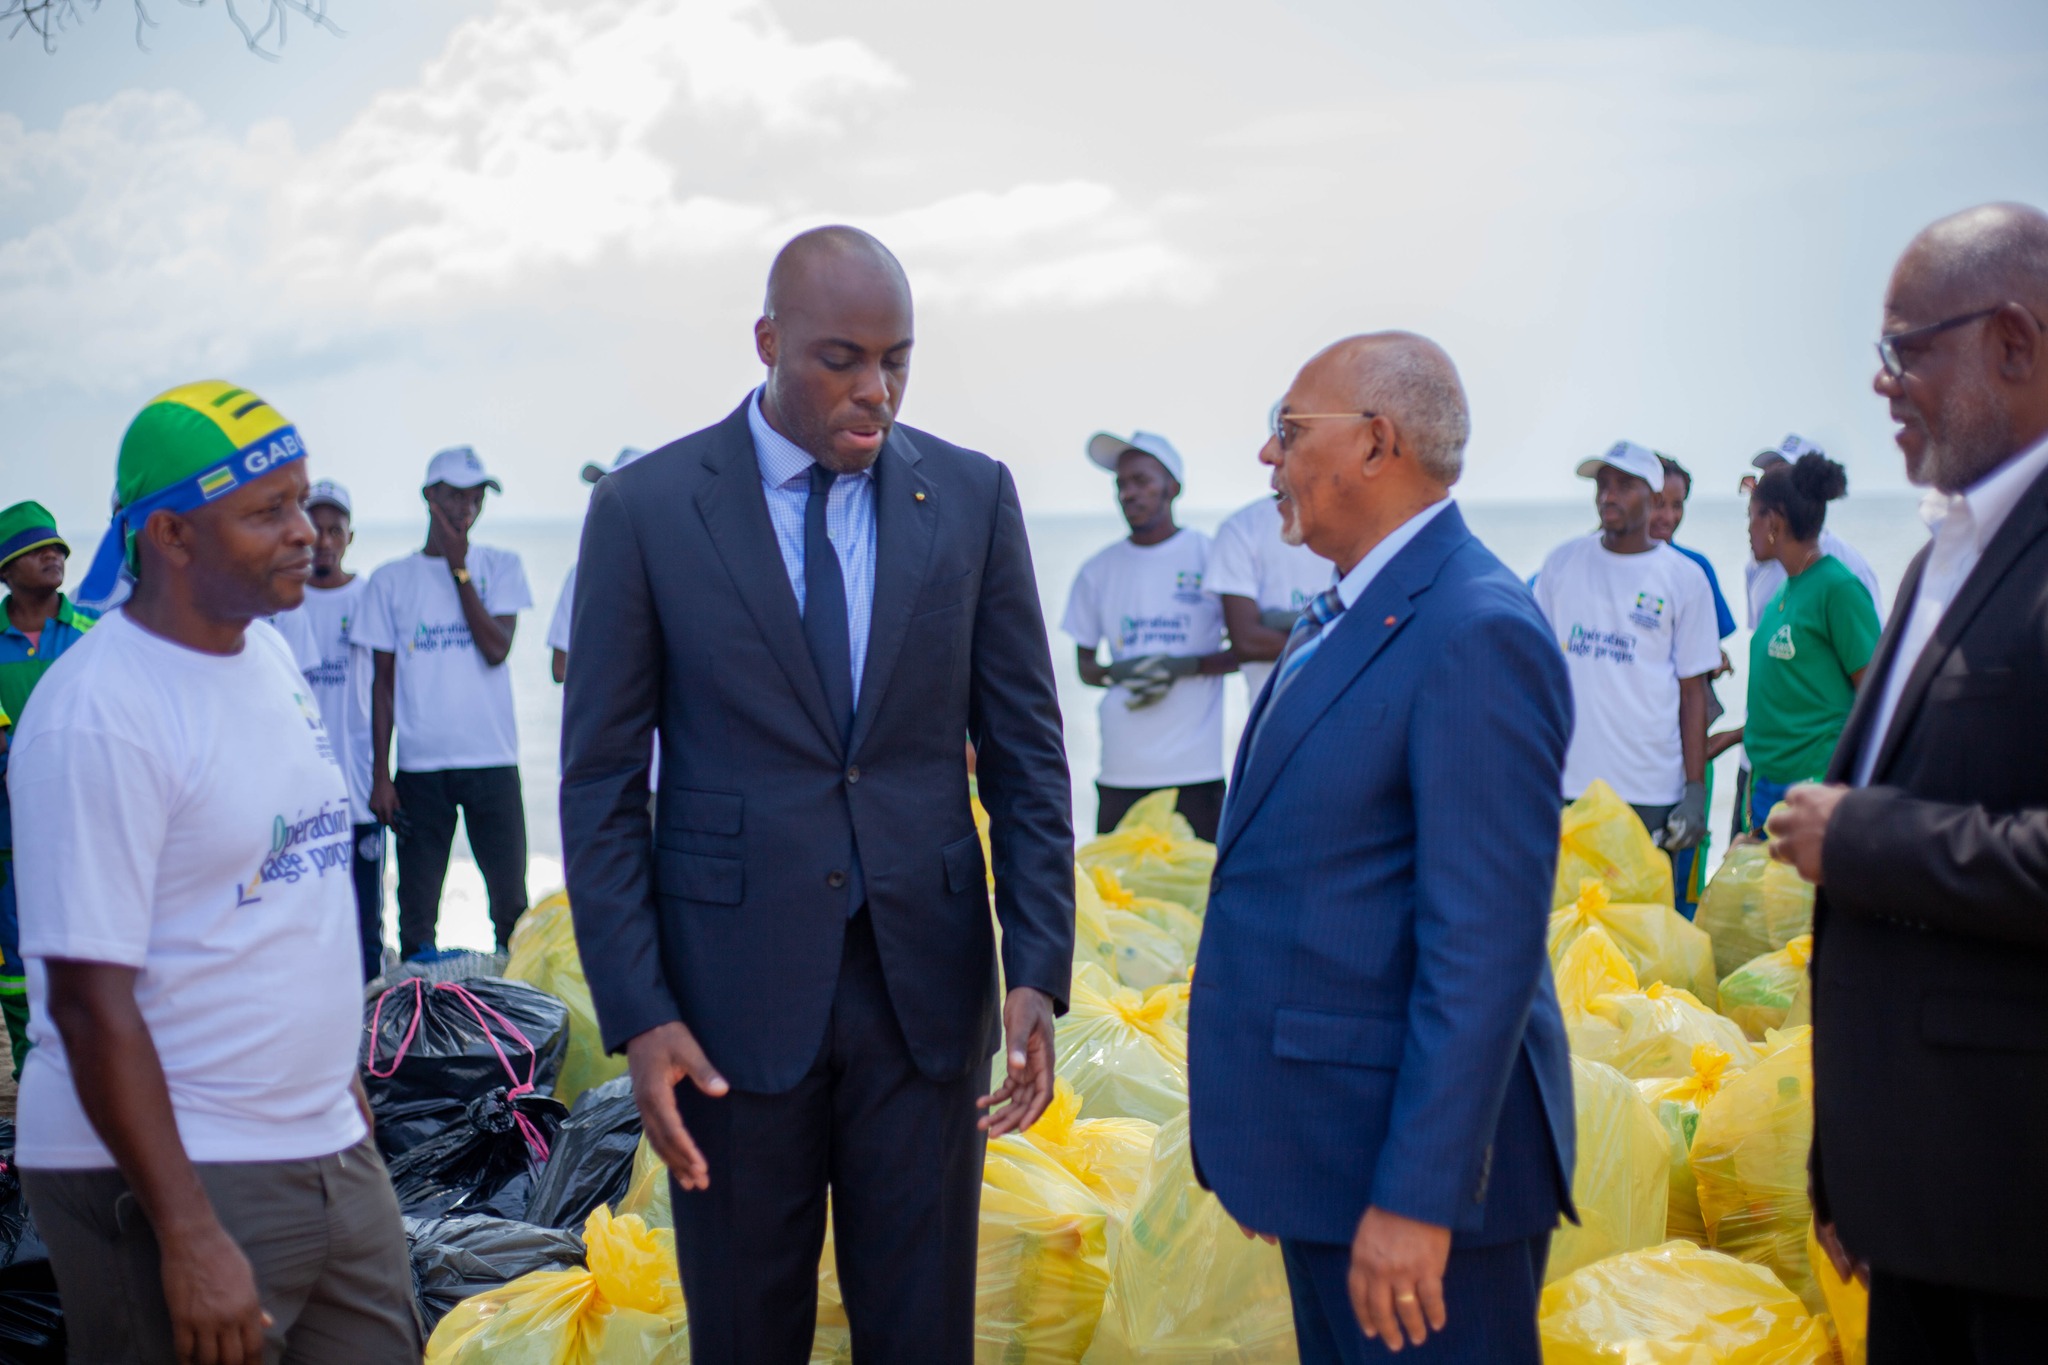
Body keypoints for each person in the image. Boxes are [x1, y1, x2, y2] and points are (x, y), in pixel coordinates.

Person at [560, 226, 1074, 1364]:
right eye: (840, 357)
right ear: (766, 344)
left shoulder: (974, 498)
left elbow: (1027, 750)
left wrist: (1038, 963)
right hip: (725, 1010)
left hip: (925, 1001)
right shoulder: (645, 512)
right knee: (745, 1334)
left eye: (896, 358)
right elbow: (598, 784)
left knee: (921, 1333)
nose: (874, 389)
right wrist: (638, 1014)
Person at [11, 381, 417, 1365]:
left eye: (303, 501)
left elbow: (289, 896)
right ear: (171, 538)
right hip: (173, 1170)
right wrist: (188, 1232)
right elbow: (85, 1002)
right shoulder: (100, 713)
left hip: (322, 1138)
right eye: (266, 511)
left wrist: (339, 1092)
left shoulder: (269, 658)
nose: (307, 536)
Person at [1190, 333, 1574, 1364]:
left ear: (1375, 444)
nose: (1266, 459)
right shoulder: (1349, 610)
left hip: (1414, 1193)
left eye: (1286, 430)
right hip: (1326, 1155)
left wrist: (1416, 1199)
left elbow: (1481, 948)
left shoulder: (1473, 629)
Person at [1768, 202, 2048, 1364]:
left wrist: (1867, 838)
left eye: (1903, 349)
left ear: (2014, 344)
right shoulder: (1948, 548)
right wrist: (1852, 1167)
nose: (1879, 386)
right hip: (1918, 1206)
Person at [356, 446, 534, 960]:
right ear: (429, 497)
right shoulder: (391, 580)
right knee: (416, 918)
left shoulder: (501, 566)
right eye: (455, 494)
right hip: (421, 770)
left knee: (511, 912)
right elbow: (382, 686)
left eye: (476, 495)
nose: (467, 506)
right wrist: (380, 776)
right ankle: (421, 1029)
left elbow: (496, 649)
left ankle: (520, 1027)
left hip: (493, 763)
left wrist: (460, 573)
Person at [1534, 440, 1719, 916]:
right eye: (1602, 485)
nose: (1608, 496)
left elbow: (1693, 691)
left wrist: (1694, 791)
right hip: (1570, 786)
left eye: (1623, 485)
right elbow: (1534, 672)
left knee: (1642, 936)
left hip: (1650, 789)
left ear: (1654, 496)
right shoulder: (1561, 565)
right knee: (1567, 934)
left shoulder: (1685, 578)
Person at [1062, 431, 1236, 840]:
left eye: (1142, 481)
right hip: (1123, 766)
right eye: (1122, 485)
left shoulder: (1210, 557)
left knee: (1203, 893)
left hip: (1195, 768)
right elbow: (1086, 668)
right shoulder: (1097, 570)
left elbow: (1245, 648)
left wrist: (1187, 666)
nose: (1129, 494)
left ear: (1172, 488)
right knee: (1115, 899)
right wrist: (1120, 673)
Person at [1710, 455, 1881, 833]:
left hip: (1814, 793)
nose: (1748, 528)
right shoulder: (1783, 592)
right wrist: (1735, 736)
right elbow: (1797, 696)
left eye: (1751, 516)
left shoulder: (1838, 590)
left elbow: (1875, 699)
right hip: (1764, 788)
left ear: (1773, 521)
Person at [269, 479, 386, 980]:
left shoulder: (368, 596)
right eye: (315, 527)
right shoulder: (280, 603)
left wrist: (383, 774)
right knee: (304, 915)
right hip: (299, 796)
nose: (325, 539)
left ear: (349, 538)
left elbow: (385, 689)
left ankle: (371, 1036)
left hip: (357, 789)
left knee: (366, 919)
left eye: (335, 529)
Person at [0, 502, 96, 1074]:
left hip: (81, 828)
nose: (54, 555)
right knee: (15, 965)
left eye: (58, 547)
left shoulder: (93, 634)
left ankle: (89, 1075)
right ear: (6, 571)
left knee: (87, 948)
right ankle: (32, 1071)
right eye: (38, 549)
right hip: (9, 834)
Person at [1208, 488, 1335, 703]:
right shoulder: (1242, 527)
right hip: (1277, 716)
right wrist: (1339, 628)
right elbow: (1247, 642)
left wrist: (1289, 624)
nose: (1270, 456)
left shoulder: (1362, 518)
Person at [1741, 434, 1881, 627]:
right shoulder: (1756, 565)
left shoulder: (1850, 570)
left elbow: (1872, 652)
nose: (1765, 489)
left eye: (1780, 476)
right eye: (1765, 477)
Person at [548, 447, 648, 685]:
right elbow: (560, 668)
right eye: (604, 491)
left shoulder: (682, 573)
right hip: (607, 720)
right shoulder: (582, 574)